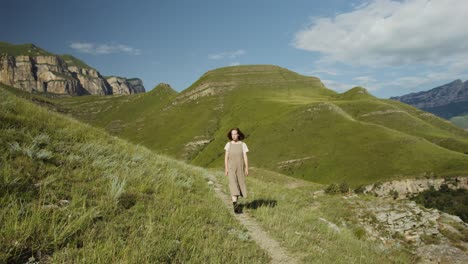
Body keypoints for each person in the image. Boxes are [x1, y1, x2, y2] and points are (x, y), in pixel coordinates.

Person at [224, 127, 249, 214]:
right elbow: (226, 157)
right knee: (233, 184)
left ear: (238, 134)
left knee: (238, 185)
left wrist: (246, 168)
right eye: (232, 134)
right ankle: (235, 206)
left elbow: (245, 157)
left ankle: (236, 203)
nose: (233, 136)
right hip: (231, 168)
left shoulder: (243, 145)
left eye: (235, 134)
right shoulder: (228, 145)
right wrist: (226, 168)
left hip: (240, 168)